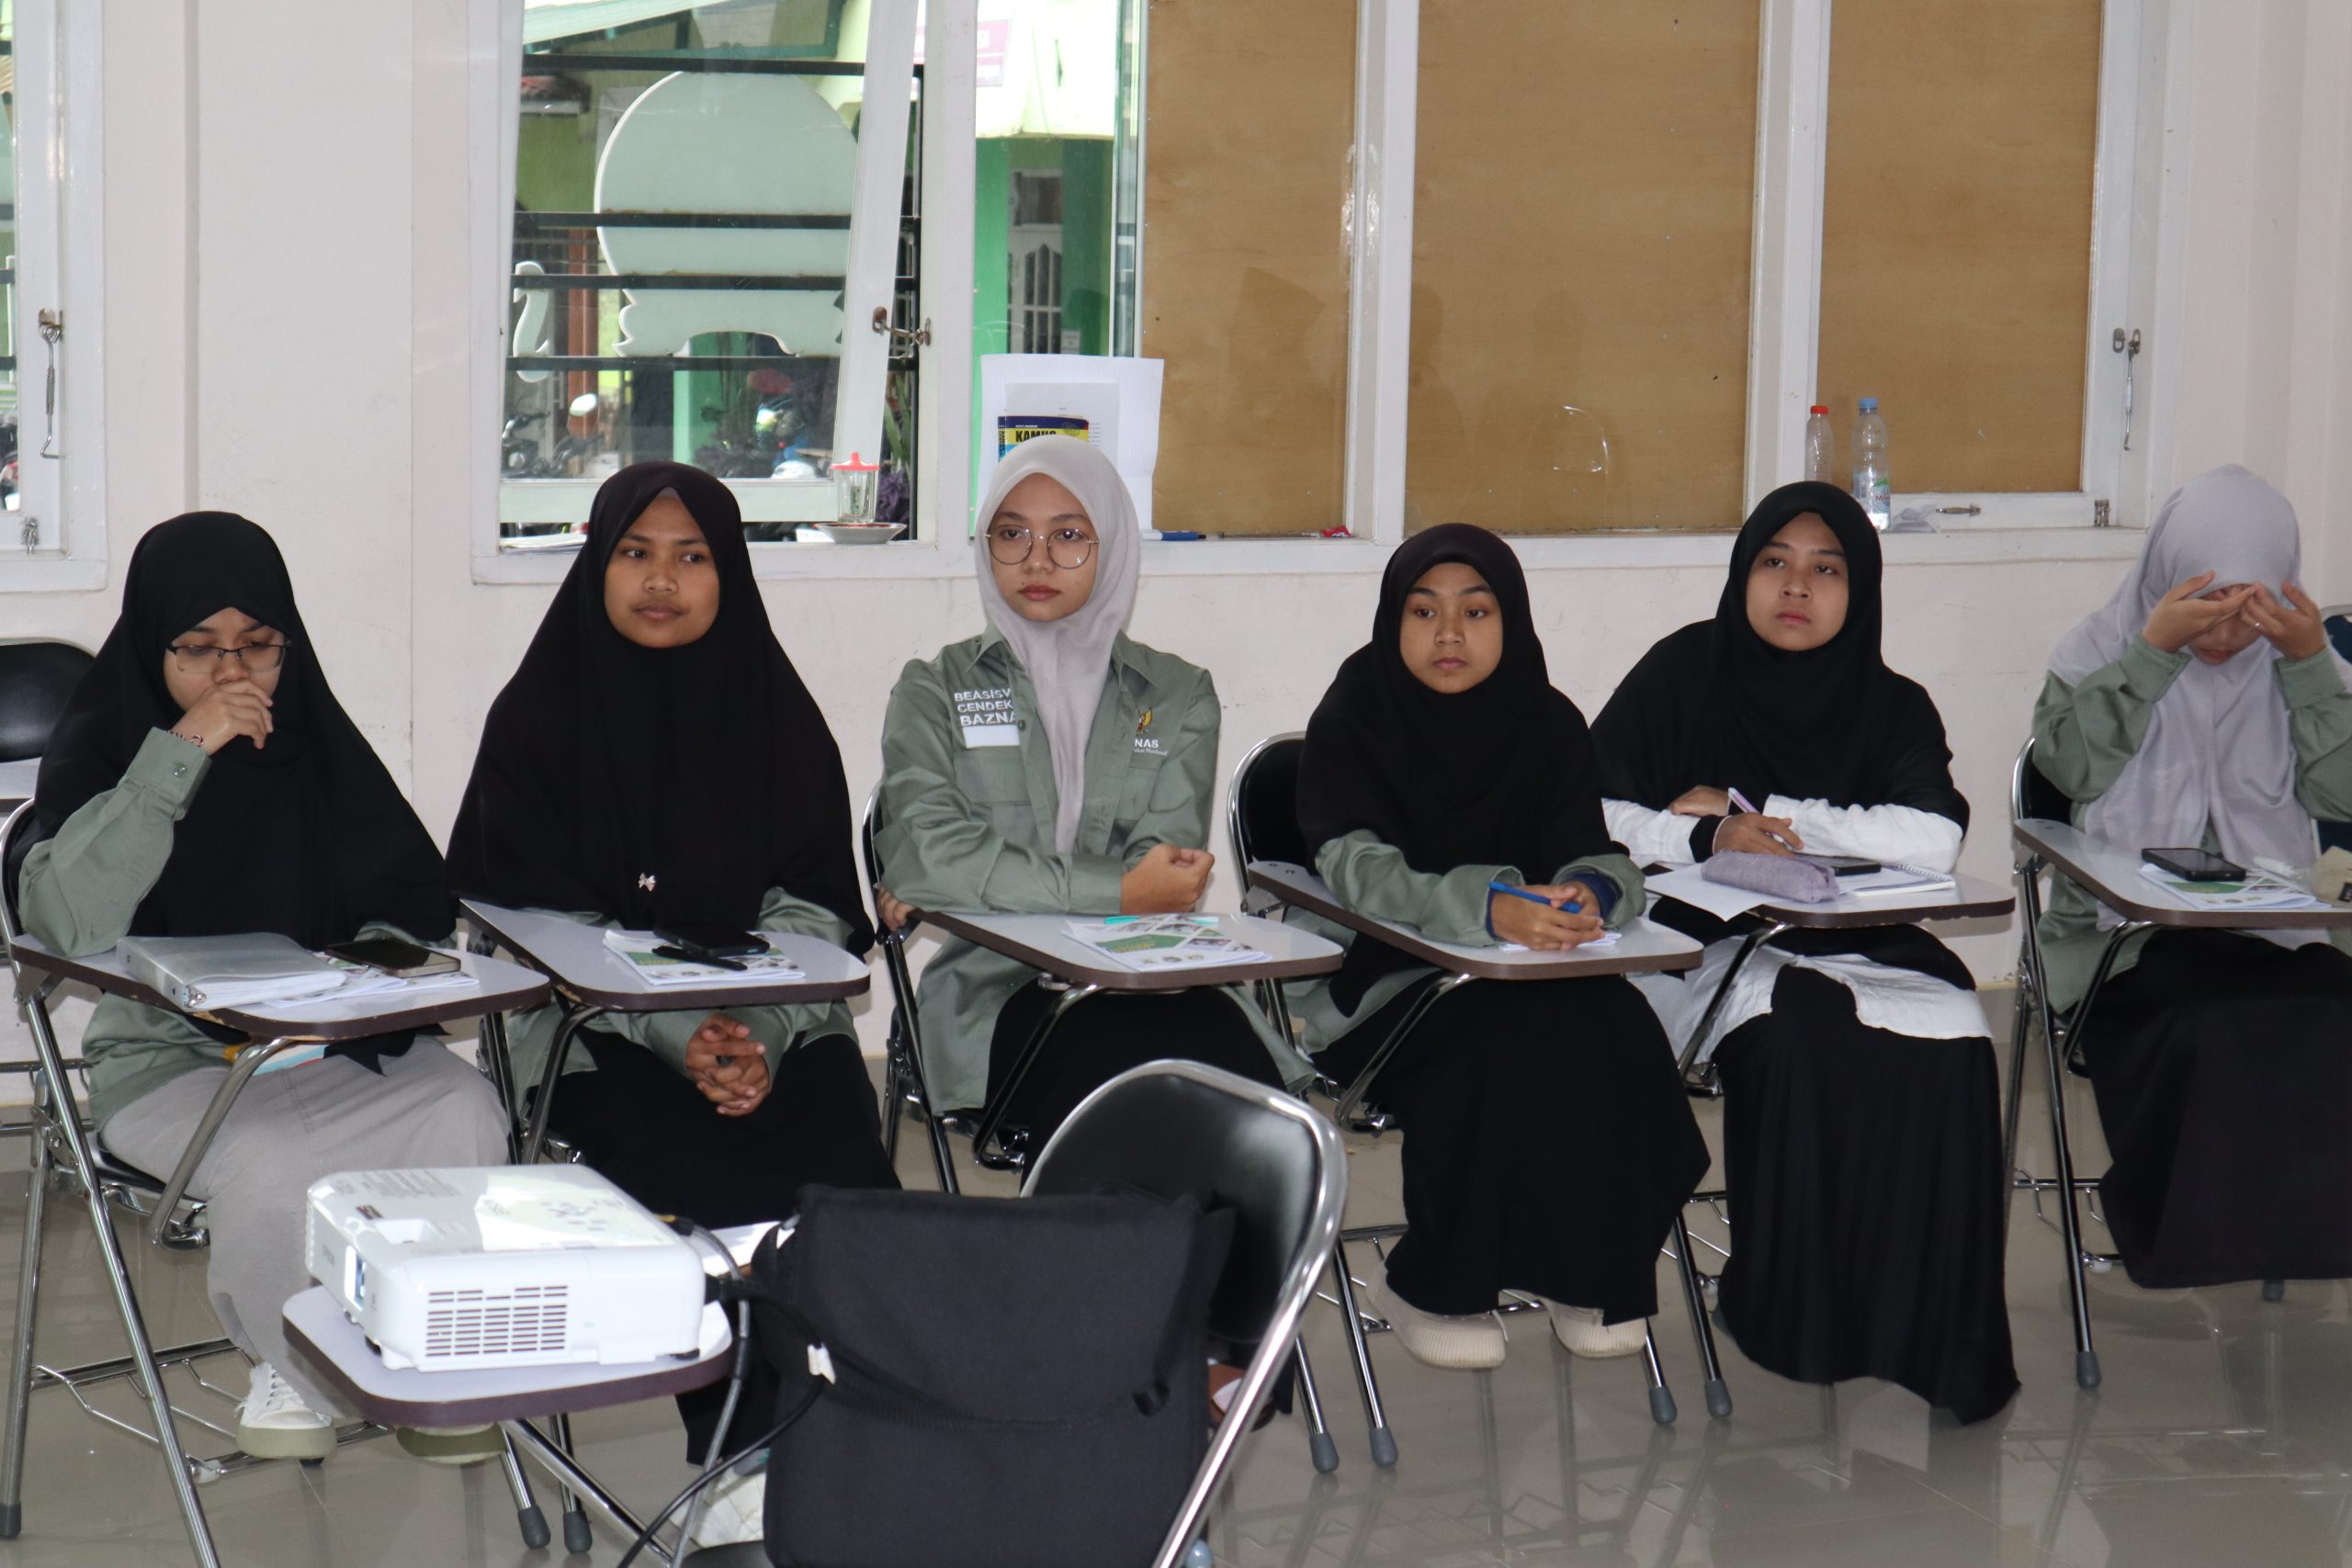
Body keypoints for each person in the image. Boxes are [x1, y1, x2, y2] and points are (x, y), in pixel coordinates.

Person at [18, 513, 510, 1462]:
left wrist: (364, 976)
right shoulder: (103, 748)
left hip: (338, 1047)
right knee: (275, 1160)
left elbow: (410, 904)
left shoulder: (315, 745)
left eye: (258, 646)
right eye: (199, 649)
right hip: (172, 1063)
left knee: (466, 1112)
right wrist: (180, 753)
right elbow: (69, 921)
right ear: (153, 646)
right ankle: (292, 1362)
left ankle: (429, 1352)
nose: (232, 674)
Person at [1592, 481, 2017, 1423]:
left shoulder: (1890, 703)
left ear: (1858, 589)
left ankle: (1930, 1336)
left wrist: (1764, 814)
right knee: (1805, 1037)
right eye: (1775, 562)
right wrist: (1703, 837)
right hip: (1704, 948)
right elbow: (1591, 807)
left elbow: (1933, 840)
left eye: (1826, 569)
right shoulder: (1683, 673)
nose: (1796, 586)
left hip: (1864, 938)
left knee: (1956, 1035)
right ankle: (1798, 1314)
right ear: (1743, 572)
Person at [1285, 523, 1708, 1370]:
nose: (1449, 633)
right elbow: (1359, 871)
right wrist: (1490, 907)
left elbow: (1595, 850)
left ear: (1510, 619)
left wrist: (1590, 892)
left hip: (1531, 971)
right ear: (1393, 620)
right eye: (1424, 611)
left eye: (1475, 611)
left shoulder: (1547, 721)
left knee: (1620, 1028)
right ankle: (1434, 1284)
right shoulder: (1357, 714)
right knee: (1498, 1043)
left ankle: (1592, 1271)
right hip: (1389, 982)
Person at [871, 434, 1304, 1153]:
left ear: (1113, 546)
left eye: (1069, 536)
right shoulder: (934, 689)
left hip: (1153, 973)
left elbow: (1165, 880)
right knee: (1125, 1080)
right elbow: (926, 855)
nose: (1037, 561)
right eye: (1012, 534)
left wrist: (974, 878)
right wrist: (1118, 888)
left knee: (1238, 1083)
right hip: (997, 987)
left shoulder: (1176, 694)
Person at [2033, 464, 2352, 1288]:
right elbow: (2067, 769)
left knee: (2332, 1006)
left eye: (2247, 609)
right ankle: (2187, 1239)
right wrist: (2152, 655)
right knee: (2208, 1015)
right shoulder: (2100, 649)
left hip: (2270, 930)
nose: (2224, 633)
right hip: (2123, 938)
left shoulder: (2296, 661)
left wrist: (2308, 663)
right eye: (2205, 604)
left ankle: (2306, 1237)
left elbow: (2343, 795)